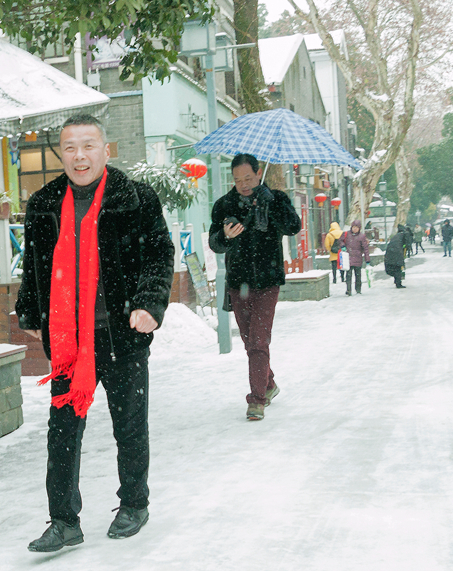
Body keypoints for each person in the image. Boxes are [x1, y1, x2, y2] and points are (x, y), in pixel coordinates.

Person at [16, 115, 174, 553]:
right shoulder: (44, 202)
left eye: (88, 145)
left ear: (107, 149)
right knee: (62, 432)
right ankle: (64, 520)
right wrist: (30, 310)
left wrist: (148, 304)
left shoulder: (134, 198)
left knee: (129, 426)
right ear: (61, 154)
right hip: (69, 340)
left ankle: (134, 504)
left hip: (121, 334)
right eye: (70, 147)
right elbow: (34, 264)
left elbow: (160, 253)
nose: (79, 155)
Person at [208, 154, 301, 421]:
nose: (243, 184)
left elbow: (293, 227)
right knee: (250, 343)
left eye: (248, 178)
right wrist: (225, 236)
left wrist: (273, 205)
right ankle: (268, 383)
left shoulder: (276, 198)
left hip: (267, 280)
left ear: (258, 174)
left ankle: (257, 399)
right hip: (238, 282)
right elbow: (216, 243)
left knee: (259, 341)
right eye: (238, 180)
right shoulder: (225, 205)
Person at [340, 220, 370, 296]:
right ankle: (348, 290)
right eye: (354, 227)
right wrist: (343, 246)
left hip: (358, 258)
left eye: (356, 228)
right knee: (348, 275)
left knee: (358, 275)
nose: (355, 229)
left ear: (359, 228)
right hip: (348, 258)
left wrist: (367, 260)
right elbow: (340, 241)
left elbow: (366, 248)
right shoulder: (346, 234)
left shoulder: (362, 236)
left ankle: (358, 289)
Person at [385, 224, 411, 288]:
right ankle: (398, 283)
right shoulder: (405, 234)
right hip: (397, 252)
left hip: (390, 252)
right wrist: (407, 250)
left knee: (394, 266)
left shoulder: (396, 236)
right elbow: (408, 243)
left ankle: (397, 280)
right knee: (398, 268)